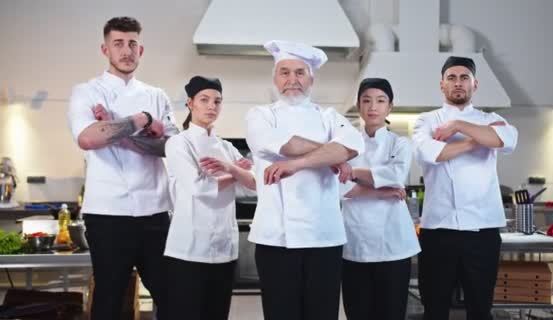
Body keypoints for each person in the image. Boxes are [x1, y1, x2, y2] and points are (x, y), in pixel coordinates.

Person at [66, 16, 178, 320]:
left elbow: (172, 147)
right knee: (110, 300)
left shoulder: (157, 95)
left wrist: (116, 131)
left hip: (156, 211)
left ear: (141, 50)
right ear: (105, 49)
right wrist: (141, 121)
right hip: (108, 214)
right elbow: (89, 138)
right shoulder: (86, 91)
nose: (126, 50)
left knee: (172, 296)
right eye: (119, 43)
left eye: (133, 44)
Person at [245, 40, 364, 320]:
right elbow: (286, 144)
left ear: (311, 78)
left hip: (324, 236)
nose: (292, 80)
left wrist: (297, 165)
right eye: (285, 72)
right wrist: (332, 155)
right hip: (276, 237)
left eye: (300, 72)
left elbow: (353, 143)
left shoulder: (329, 116)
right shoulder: (260, 115)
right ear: (275, 78)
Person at [412, 56, 518, 320]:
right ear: (441, 84)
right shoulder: (425, 121)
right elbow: (432, 153)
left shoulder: (491, 117)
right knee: (434, 308)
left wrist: (458, 126)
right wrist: (478, 140)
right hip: (438, 229)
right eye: (451, 78)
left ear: (475, 84)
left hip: (482, 229)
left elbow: (507, 140)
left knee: (480, 308)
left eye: (464, 78)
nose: (458, 83)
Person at [163, 76, 256, 319]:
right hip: (188, 249)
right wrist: (236, 172)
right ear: (190, 103)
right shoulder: (177, 143)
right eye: (204, 100)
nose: (211, 106)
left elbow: (254, 187)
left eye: (217, 101)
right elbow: (198, 187)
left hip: (224, 249)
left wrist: (232, 170)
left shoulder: (226, 148)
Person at [340, 78, 421, 320]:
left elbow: (395, 176)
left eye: (380, 100)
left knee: (391, 313)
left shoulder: (400, 143)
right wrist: (380, 191)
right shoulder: (346, 144)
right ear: (358, 105)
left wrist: (353, 174)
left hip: (393, 244)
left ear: (390, 107)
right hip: (355, 242)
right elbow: (339, 187)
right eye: (366, 100)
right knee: (358, 313)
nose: (372, 106)